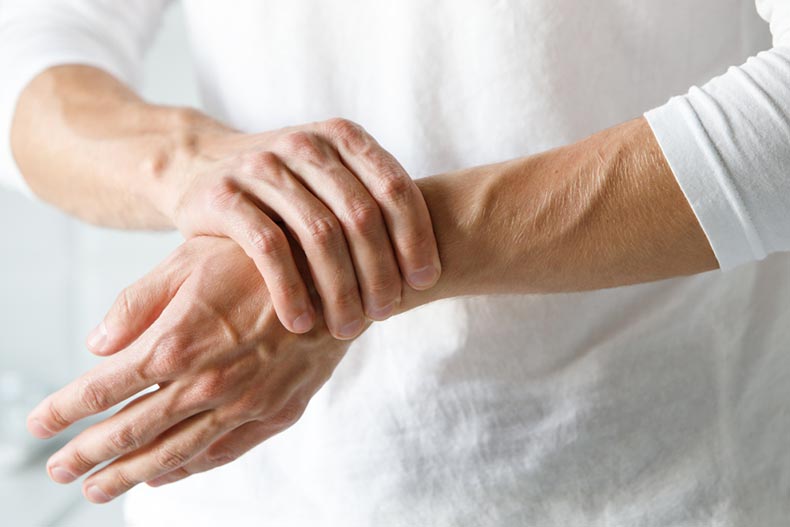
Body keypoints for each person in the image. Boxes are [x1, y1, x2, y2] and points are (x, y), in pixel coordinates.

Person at [3, 0, 790, 524]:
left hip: (651, 484)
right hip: (247, 495)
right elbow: (30, 46)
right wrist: (196, 167)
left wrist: (336, 253)